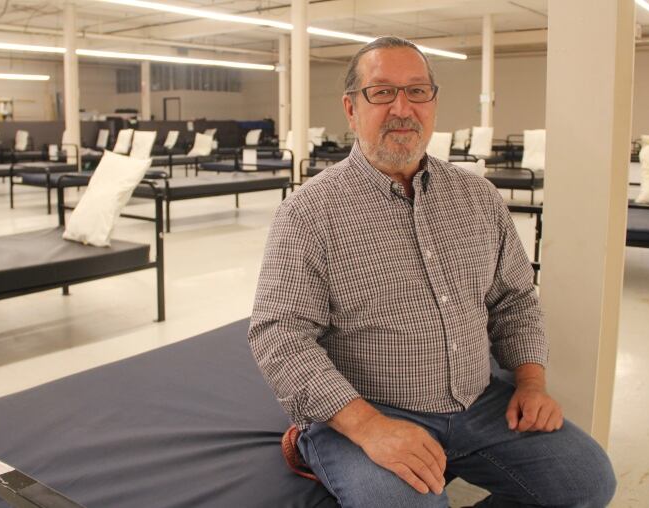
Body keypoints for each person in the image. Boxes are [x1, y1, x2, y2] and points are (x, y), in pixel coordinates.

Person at [248, 36, 616, 507]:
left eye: (417, 91)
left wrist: (530, 383)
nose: (402, 107)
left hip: (478, 403)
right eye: (381, 92)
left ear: (433, 103)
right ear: (351, 108)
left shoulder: (478, 197)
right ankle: (311, 441)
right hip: (366, 409)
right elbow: (279, 333)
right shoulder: (309, 212)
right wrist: (369, 427)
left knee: (587, 482)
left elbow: (515, 299)